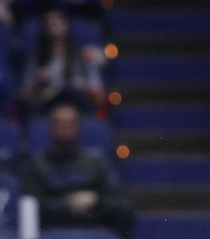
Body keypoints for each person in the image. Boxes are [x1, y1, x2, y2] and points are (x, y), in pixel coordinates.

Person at [21, 102, 134, 238]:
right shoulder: (36, 164)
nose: (66, 130)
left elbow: (118, 203)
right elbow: (31, 208)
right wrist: (68, 204)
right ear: (51, 128)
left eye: (70, 125)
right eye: (61, 125)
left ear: (78, 128)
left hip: (93, 224)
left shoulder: (97, 162)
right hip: (53, 230)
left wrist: (96, 201)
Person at [20, 9, 104, 113]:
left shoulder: (81, 56)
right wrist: (38, 82)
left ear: (66, 27)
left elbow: (96, 89)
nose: (56, 28)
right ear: (45, 30)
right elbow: (25, 91)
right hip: (47, 104)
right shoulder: (36, 58)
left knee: (72, 93)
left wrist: (83, 85)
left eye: (59, 23)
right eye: (52, 24)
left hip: (75, 102)